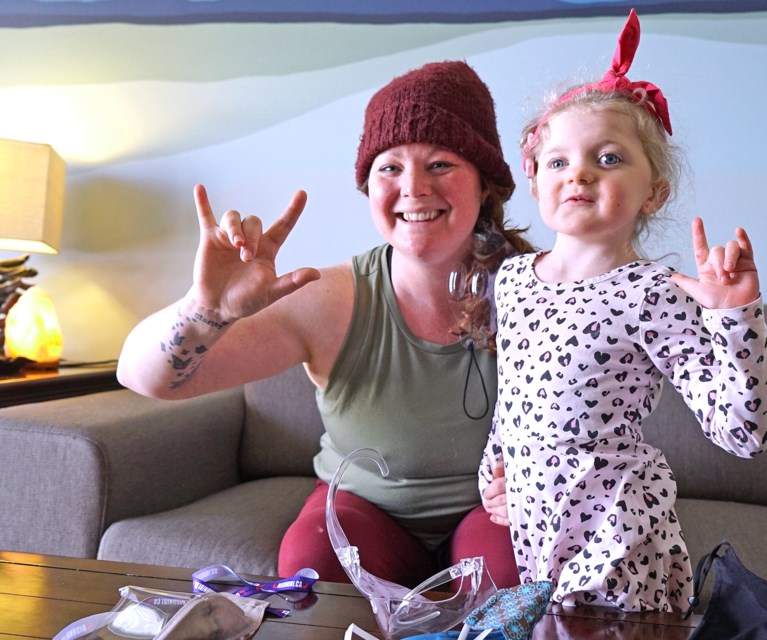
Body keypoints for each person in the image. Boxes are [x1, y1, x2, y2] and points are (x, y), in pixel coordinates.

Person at [117, 60, 533, 589]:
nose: (413, 188)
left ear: (486, 183)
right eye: (390, 168)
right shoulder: (330, 297)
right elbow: (144, 379)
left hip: (493, 511)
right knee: (313, 558)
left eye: (440, 164)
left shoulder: (540, 290)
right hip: (366, 512)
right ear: (368, 185)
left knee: (514, 563)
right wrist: (207, 309)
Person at [478, 9, 767, 612]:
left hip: (619, 542)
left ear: (655, 192)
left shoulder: (651, 292)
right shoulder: (511, 279)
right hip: (537, 536)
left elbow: (745, 432)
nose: (580, 173)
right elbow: (514, 394)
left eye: (609, 158)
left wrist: (736, 316)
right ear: (535, 181)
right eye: (558, 161)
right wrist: (495, 469)